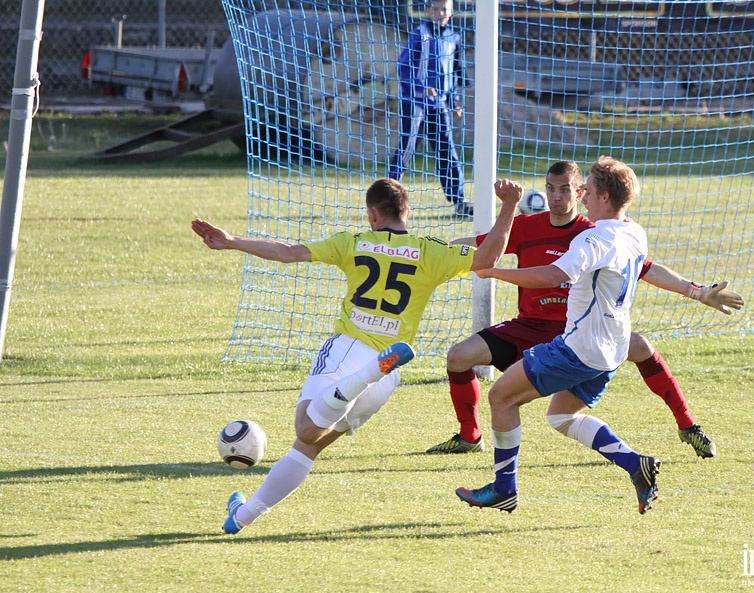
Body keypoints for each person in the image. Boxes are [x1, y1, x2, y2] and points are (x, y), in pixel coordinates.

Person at [192, 177, 521, 534]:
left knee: (305, 426)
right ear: (407, 212)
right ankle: (243, 516)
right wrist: (508, 206)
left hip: (351, 353)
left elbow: (288, 252)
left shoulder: (355, 243)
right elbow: (489, 256)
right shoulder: (429, 251)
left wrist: (232, 242)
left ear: (371, 214)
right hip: (388, 378)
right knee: (307, 447)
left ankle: (365, 374)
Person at [427, 161, 743, 459]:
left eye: (565, 189)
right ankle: (469, 436)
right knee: (458, 356)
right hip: (529, 326)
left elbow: (646, 269)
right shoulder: (527, 227)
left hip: (577, 330)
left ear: (582, 194)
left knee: (641, 347)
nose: (555, 195)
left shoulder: (597, 234)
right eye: (550, 188)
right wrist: (439, 252)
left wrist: (696, 291)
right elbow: (473, 245)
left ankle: (688, 425)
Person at [454, 156, 655, 515]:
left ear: (604, 197)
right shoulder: (634, 232)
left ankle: (504, 490)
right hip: (611, 349)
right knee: (562, 417)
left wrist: (495, 272)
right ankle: (634, 464)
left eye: (588, 191)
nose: (585, 197)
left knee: (501, 397)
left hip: (578, 348)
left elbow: (551, 276)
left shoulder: (593, 238)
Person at [388, 0, 472, 218]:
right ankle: (387, 199)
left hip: (439, 104)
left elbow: (454, 72)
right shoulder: (420, 34)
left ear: (451, 12)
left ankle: (459, 202)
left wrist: (454, 102)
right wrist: (423, 88)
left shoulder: (453, 38)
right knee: (407, 149)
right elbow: (403, 66)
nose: (440, 13)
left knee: (447, 151)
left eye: (444, 9)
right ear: (427, 11)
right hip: (415, 103)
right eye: (435, 8)